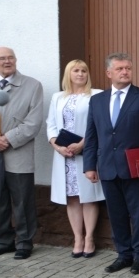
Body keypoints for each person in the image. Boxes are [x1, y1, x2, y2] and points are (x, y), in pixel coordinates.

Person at [83, 52, 139, 275]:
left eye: (128, 68)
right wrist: (90, 165)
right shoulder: (97, 100)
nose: (125, 72)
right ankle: (124, 254)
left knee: (138, 214)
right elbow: (92, 136)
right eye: (119, 69)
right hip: (108, 167)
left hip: (137, 168)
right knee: (116, 213)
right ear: (108, 73)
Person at [46, 59, 106, 258]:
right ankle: (77, 237)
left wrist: (83, 143)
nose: (80, 74)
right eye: (76, 71)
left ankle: (89, 238)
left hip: (85, 152)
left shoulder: (96, 95)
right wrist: (57, 145)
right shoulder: (58, 97)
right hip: (64, 155)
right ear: (68, 74)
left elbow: (100, 124)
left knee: (88, 196)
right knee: (72, 196)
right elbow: (51, 124)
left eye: (83, 71)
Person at [0, 47, 44, 260]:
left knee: (22, 200)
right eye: (2, 58)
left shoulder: (32, 85)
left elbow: (33, 123)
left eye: (10, 57)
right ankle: (4, 241)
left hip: (18, 153)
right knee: (0, 200)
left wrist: (7, 139)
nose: (7, 61)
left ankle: (25, 242)